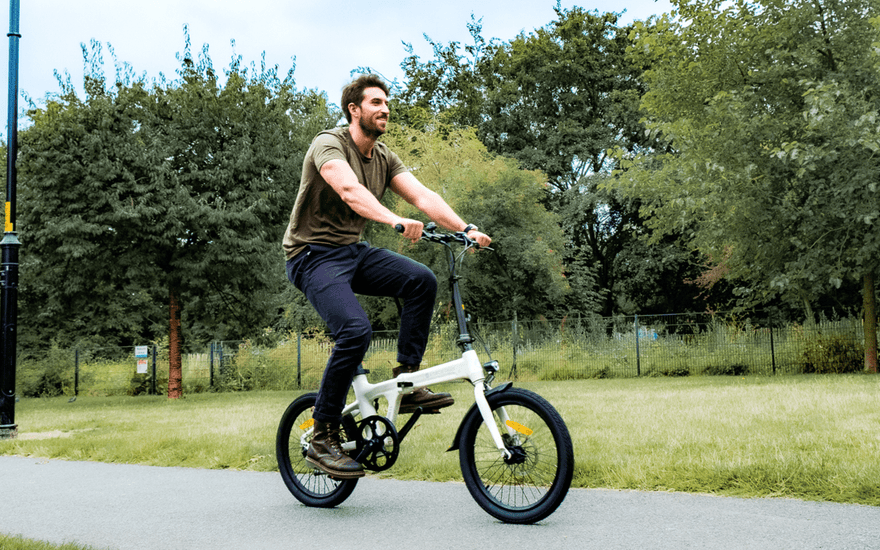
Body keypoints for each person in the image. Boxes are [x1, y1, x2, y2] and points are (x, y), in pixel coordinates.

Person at [282, 74, 491, 479]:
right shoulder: (329, 144)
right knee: (355, 331)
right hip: (311, 256)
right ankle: (322, 435)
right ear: (354, 110)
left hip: (351, 252)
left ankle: (406, 381)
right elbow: (348, 190)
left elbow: (423, 196)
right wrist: (394, 219)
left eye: (386, 103)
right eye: (375, 102)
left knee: (421, 280)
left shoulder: (384, 157)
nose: (385, 109)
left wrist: (464, 229)